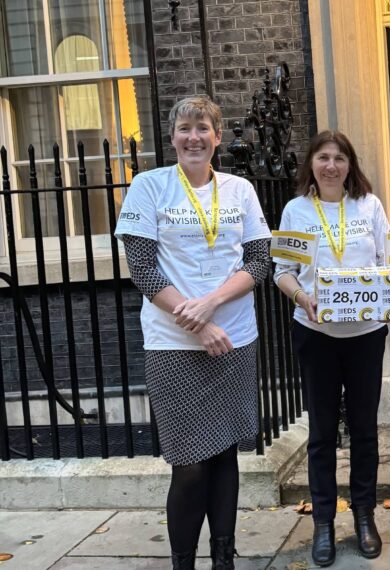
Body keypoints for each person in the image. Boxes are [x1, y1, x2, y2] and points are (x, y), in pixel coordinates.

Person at [114, 96, 272, 570]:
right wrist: (197, 322)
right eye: (185, 128)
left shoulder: (240, 189)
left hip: (235, 340)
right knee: (188, 464)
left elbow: (260, 260)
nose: (193, 137)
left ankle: (223, 557)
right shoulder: (149, 186)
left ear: (217, 137)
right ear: (173, 137)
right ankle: (184, 563)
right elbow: (141, 268)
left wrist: (213, 303)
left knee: (225, 455)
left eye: (203, 128)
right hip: (174, 344)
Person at [274, 131, 390, 567]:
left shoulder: (369, 206)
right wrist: (301, 298)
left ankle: (365, 516)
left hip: (366, 333)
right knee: (323, 434)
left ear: (351, 164)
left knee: (364, 430)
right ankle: (324, 522)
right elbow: (282, 272)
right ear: (311, 163)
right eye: (323, 157)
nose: (331, 166)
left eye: (340, 158)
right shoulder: (296, 210)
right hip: (316, 334)